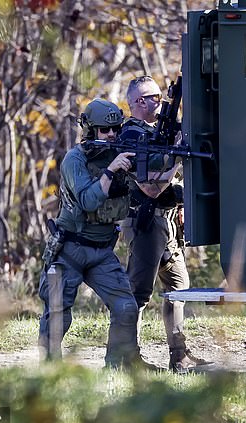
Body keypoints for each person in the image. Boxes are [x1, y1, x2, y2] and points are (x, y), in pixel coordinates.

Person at [38, 98, 157, 370]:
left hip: (102, 250)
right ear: (91, 130)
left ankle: (116, 367)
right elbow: (88, 201)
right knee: (58, 315)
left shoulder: (119, 153)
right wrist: (111, 170)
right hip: (69, 249)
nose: (112, 135)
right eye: (105, 130)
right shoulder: (75, 160)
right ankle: (49, 372)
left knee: (126, 308)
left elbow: (150, 174)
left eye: (116, 129)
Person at [121, 75, 213, 373]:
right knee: (138, 293)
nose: (158, 101)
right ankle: (128, 357)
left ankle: (179, 354)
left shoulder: (156, 132)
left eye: (159, 95)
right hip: (146, 222)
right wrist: (177, 155)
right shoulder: (132, 136)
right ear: (136, 103)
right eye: (151, 97)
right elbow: (149, 188)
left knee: (178, 287)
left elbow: (165, 182)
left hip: (166, 221)